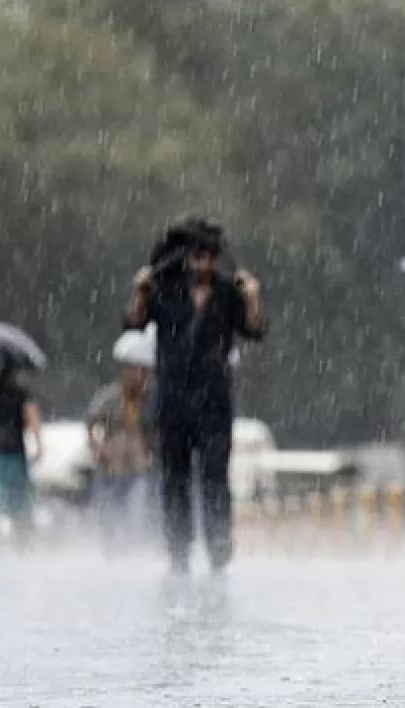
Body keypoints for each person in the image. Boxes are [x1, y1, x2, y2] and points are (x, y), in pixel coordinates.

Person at [124, 217, 266, 574]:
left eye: (209, 256)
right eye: (196, 255)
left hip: (215, 401)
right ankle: (178, 552)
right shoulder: (162, 289)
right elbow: (132, 323)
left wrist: (251, 298)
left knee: (215, 477)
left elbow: (256, 329)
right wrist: (140, 292)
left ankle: (219, 550)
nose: (203, 263)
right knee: (173, 478)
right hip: (172, 398)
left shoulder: (227, 292)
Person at [0, 364, 44, 549]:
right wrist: (38, 443)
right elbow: (32, 416)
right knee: (19, 507)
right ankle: (23, 547)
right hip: (15, 454)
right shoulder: (20, 393)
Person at [86, 362, 154, 555]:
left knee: (136, 515)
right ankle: (110, 553)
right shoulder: (110, 397)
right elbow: (90, 420)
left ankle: (132, 553)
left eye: (142, 373)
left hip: (138, 467)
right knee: (108, 515)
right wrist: (95, 446)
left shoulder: (149, 400)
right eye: (134, 372)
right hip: (111, 467)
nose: (138, 377)